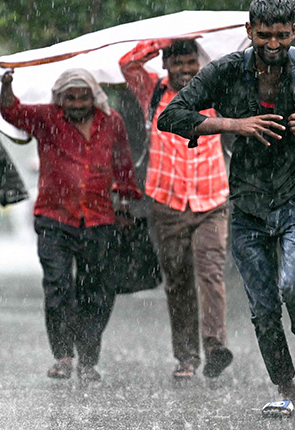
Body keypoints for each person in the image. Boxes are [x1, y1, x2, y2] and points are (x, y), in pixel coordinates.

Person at [157, 0, 295, 415]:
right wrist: (233, 124)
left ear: (294, 31)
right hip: (247, 206)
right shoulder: (225, 72)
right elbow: (172, 115)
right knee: (262, 308)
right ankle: (284, 387)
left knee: (294, 285)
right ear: (248, 32)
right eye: (263, 36)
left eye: (281, 36)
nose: (273, 45)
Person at [0, 68, 141, 382]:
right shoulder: (47, 119)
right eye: (70, 97)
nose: (77, 103)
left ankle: (88, 360)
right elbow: (10, 110)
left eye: (83, 96)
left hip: (100, 219)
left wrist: (126, 204)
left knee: (97, 292)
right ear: (60, 99)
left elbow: (123, 164)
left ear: (94, 96)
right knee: (58, 286)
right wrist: (6, 85)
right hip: (54, 219)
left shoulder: (111, 121)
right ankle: (63, 356)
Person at [119, 39, 233, 379]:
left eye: (191, 63)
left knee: (210, 271)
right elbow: (128, 64)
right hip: (167, 201)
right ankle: (186, 357)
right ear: (166, 65)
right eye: (178, 63)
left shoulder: (215, 90)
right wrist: (162, 40)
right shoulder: (152, 91)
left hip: (212, 200)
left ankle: (215, 347)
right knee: (178, 278)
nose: (185, 70)